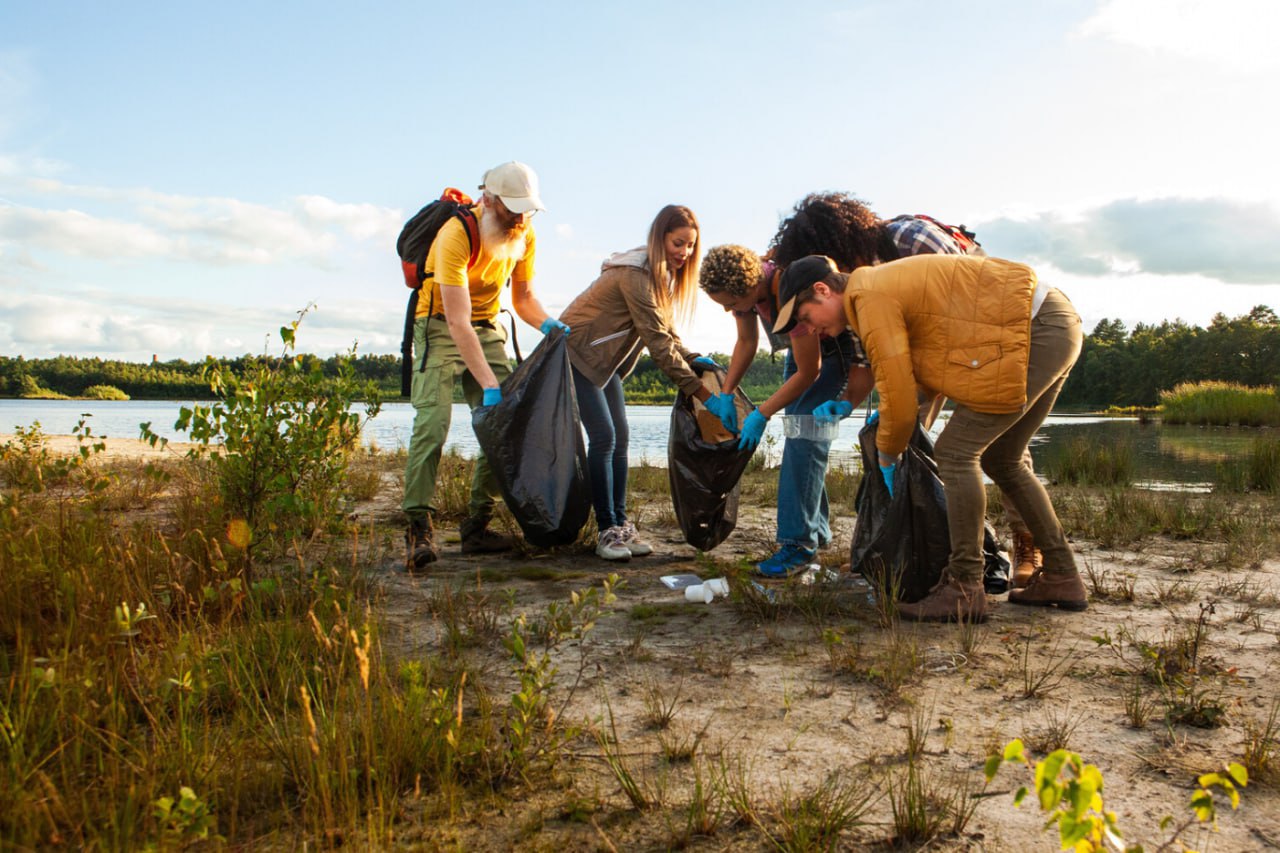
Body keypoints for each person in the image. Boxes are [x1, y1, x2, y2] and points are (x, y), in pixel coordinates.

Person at [773, 254, 1086, 622]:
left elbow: (898, 395)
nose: (811, 330)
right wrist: (879, 413)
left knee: (955, 453)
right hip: (1052, 324)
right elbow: (926, 370)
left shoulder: (867, 296)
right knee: (1003, 459)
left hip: (1034, 330)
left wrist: (887, 454)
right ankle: (1063, 575)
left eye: (807, 318)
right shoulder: (878, 286)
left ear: (823, 290)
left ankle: (964, 587)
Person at [770, 192, 1045, 586]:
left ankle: (1024, 540)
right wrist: (847, 402)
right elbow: (866, 362)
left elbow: (970, 305)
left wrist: (910, 400)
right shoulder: (852, 296)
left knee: (999, 446)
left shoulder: (912, 242)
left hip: (994, 335)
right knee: (895, 439)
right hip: (921, 353)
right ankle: (900, 546)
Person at [402, 161, 566, 571]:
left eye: (525, 209)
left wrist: (548, 324)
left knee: (506, 424)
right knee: (432, 424)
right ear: (488, 200)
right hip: (438, 327)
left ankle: (477, 526)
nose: (518, 218)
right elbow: (457, 321)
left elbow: (523, 298)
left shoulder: (524, 233)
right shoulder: (455, 234)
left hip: (487, 326)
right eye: (511, 208)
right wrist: (489, 384)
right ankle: (417, 526)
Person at [699, 244, 873, 577]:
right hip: (803, 351)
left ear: (750, 288)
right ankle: (816, 533)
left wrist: (761, 413)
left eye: (730, 304)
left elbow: (810, 371)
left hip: (832, 354)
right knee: (801, 439)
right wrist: (725, 392)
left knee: (803, 437)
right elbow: (747, 343)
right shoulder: (749, 297)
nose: (728, 311)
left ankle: (799, 545)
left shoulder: (790, 295)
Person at [560, 205, 717, 561]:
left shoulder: (661, 277)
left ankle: (620, 524)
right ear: (659, 237)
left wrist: (692, 358)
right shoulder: (635, 274)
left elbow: (667, 334)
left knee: (621, 440)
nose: (685, 252)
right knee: (604, 437)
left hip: (606, 366)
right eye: (679, 243)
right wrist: (702, 392)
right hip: (576, 355)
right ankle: (606, 531)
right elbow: (657, 344)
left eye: (691, 246)